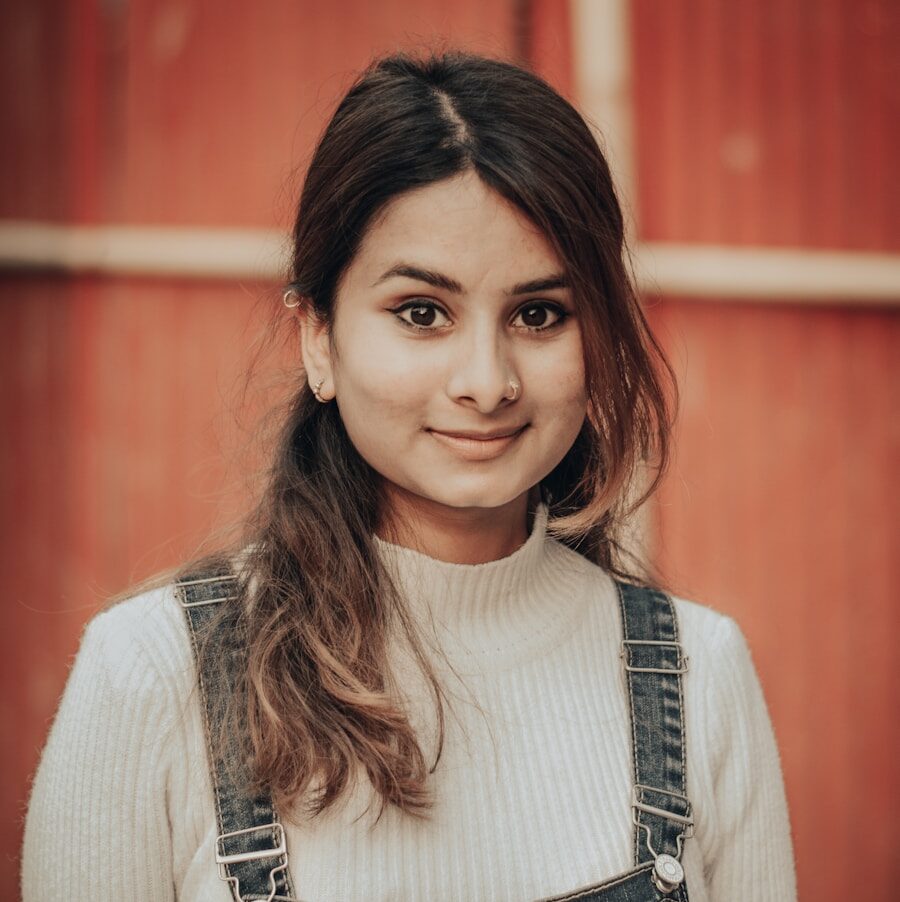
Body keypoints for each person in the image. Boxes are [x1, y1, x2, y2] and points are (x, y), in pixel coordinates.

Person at [21, 49, 797, 902]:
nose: (486, 380)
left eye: (539, 314)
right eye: (422, 313)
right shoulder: (151, 675)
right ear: (317, 336)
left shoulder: (700, 676)